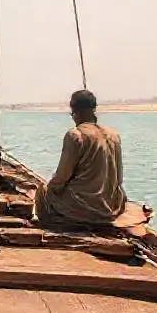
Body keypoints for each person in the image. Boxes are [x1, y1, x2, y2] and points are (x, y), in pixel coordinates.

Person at [34, 89, 128, 227]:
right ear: (94, 109)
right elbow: (119, 179)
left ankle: (61, 221)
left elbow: (62, 178)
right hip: (111, 207)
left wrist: (49, 190)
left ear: (75, 112)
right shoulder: (114, 135)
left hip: (84, 207)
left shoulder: (75, 135)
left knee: (42, 191)